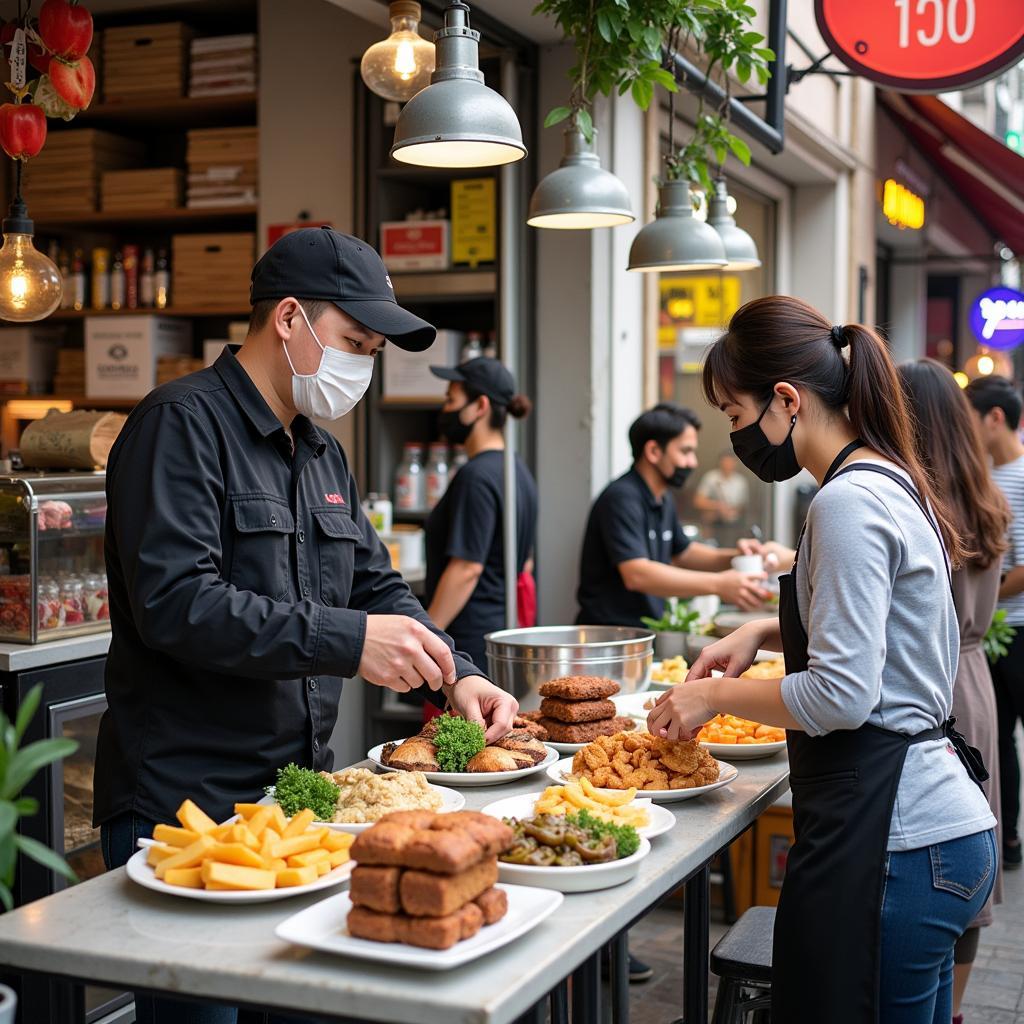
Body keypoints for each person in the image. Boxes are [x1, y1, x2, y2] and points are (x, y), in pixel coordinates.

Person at [95, 227, 518, 1024]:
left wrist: (456, 671)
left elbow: (374, 580)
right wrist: (351, 642)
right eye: (354, 342)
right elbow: (176, 604)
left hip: (298, 805)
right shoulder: (177, 425)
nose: (363, 365)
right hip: (185, 810)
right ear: (288, 317)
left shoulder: (321, 453)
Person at [651, 296, 996, 1023]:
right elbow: (888, 637)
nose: (735, 435)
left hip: (896, 841)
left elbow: (843, 694)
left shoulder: (847, 502)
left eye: (734, 414)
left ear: (785, 399)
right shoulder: (889, 478)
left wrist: (708, 699)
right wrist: (760, 635)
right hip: (932, 832)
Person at [901, 360, 1009, 1024]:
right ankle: (955, 1010)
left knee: (933, 848)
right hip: (975, 681)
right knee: (967, 861)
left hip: (930, 681)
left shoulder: (916, 505)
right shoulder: (985, 496)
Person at [576, 402, 788, 627]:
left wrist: (737, 556)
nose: (693, 462)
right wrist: (718, 584)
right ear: (654, 452)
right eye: (685, 451)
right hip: (610, 634)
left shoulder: (662, 498)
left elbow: (683, 553)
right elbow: (636, 574)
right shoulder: (622, 498)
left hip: (644, 631)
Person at [424, 357, 537, 670]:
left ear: (480, 406)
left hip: (467, 643)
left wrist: (427, 636)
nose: (445, 409)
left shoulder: (476, 476)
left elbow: (466, 569)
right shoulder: (517, 472)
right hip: (500, 633)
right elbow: (525, 561)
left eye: (451, 400)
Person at [966, 375, 1024, 872]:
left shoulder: (1022, 475)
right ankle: (1005, 838)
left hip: (1017, 628)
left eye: (971, 416)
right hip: (988, 631)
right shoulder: (982, 473)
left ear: (995, 418)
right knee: (999, 734)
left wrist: (978, 595)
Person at [693, 450, 750, 546]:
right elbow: (698, 501)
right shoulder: (711, 477)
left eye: (730, 462)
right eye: (725, 461)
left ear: (735, 463)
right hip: (714, 517)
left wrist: (731, 511)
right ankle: (708, 546)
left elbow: (743, 506)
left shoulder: (741, 482)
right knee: (707, 517)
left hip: (734, 519)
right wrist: (718, 506)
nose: (727, 465)